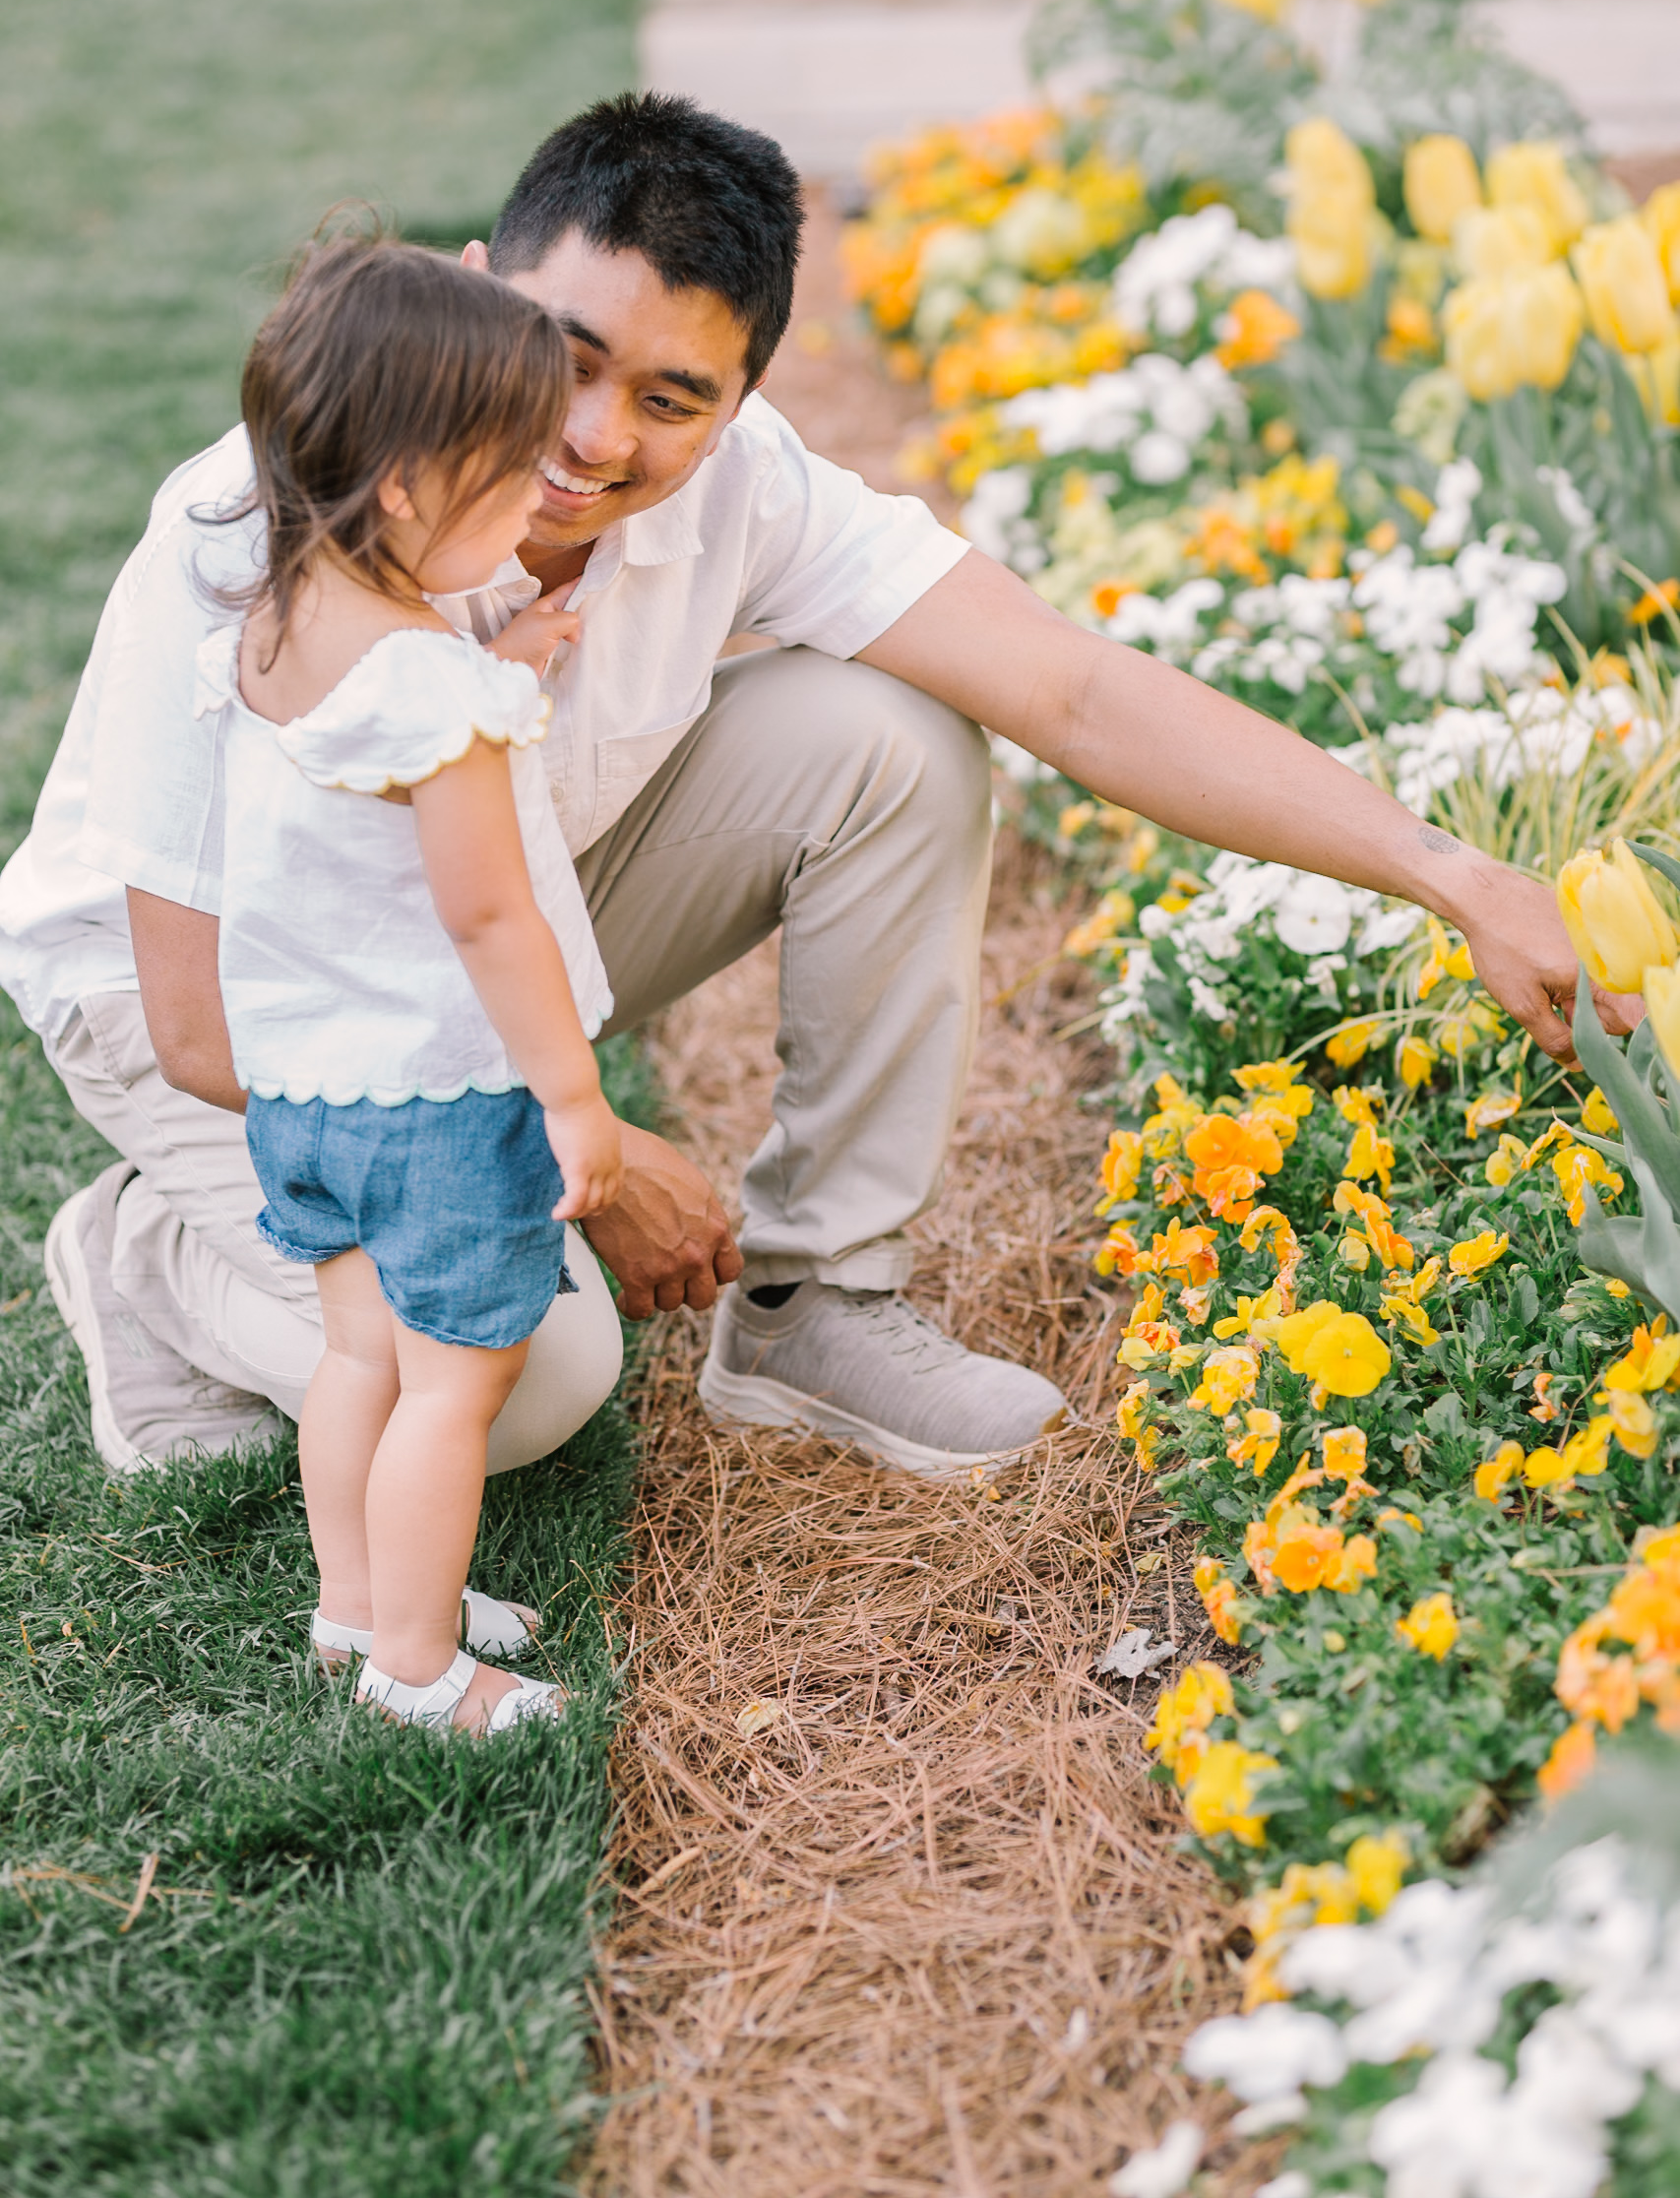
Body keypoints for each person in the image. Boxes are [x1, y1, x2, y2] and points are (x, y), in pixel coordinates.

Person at [0, 94, 1616, 1487]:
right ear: (480, 289)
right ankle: (148, 1263)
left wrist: (1456, 877)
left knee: (892, 736)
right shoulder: (255, 533)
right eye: (565, 357)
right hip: (205, 1016)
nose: (590, 437)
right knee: (527, 1389)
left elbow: (1073, 689)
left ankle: (816, 1307)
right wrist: (599, 1153)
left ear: (743, 404)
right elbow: (206, 1021)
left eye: (671, 399)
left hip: (481, 924)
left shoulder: (750, 496)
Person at [201, 231, 623, 1731]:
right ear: (403, 487)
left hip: (306, 1092)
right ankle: (421, 1668)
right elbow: (488, 912)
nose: (537, 506)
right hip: (439, 1109)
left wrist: (504, 659)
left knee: (359, 1356)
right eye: (513, 479)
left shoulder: (276, 629)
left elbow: (370, 774)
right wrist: (573, 1095)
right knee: (455, 1386)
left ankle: (357, 1606)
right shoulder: (434, 693)